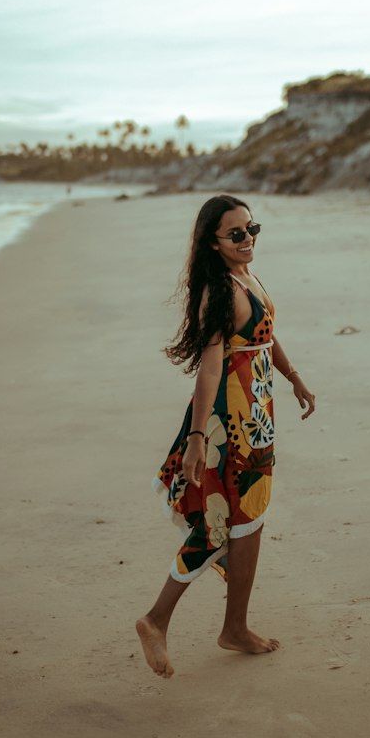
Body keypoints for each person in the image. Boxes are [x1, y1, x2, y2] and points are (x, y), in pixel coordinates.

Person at [136, 195, 316, 678]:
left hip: (255, 414)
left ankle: (233, 626)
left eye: (251, 229)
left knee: (246, 522)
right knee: (225, 524)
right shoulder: (220, 293)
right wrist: (197, 437)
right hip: (231, 424)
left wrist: (292, 375)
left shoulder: (246, 276)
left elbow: (264, 333)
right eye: (235, 234)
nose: (247, 239)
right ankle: (158, 620)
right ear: (213, 244)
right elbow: (210, 367)